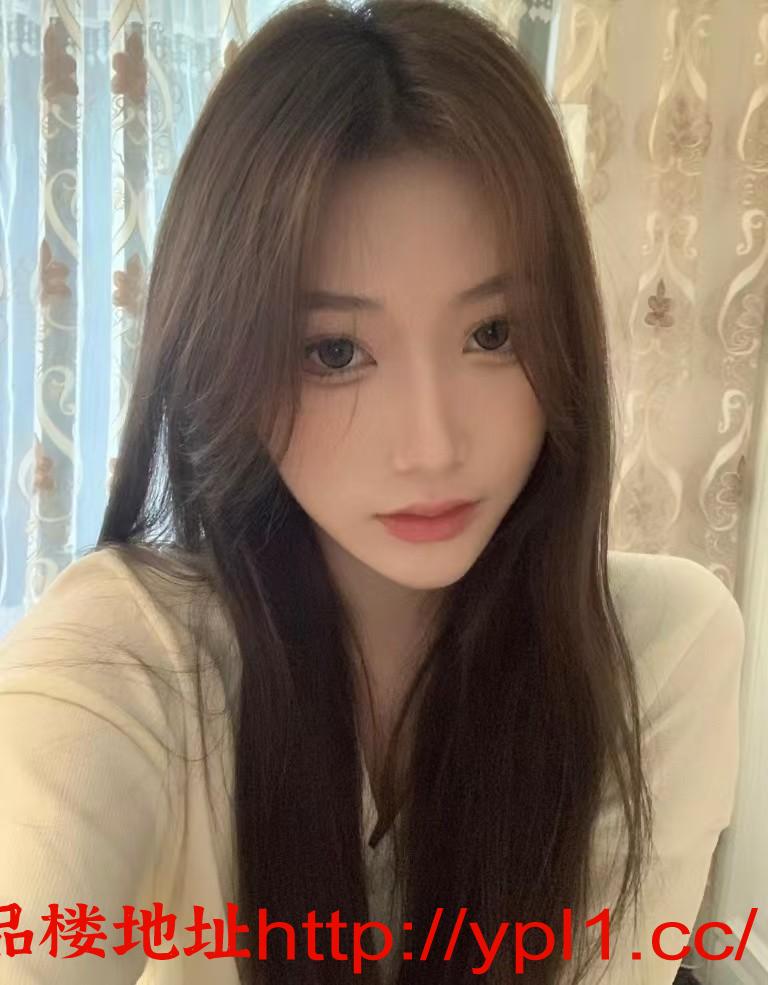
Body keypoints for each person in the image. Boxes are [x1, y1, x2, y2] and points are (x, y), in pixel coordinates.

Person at [0, 0, 745, 983]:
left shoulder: (660, 649)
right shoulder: (131, 655)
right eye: (335, 352)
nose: (431, 446)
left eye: (493, 334)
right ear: (228, 366)